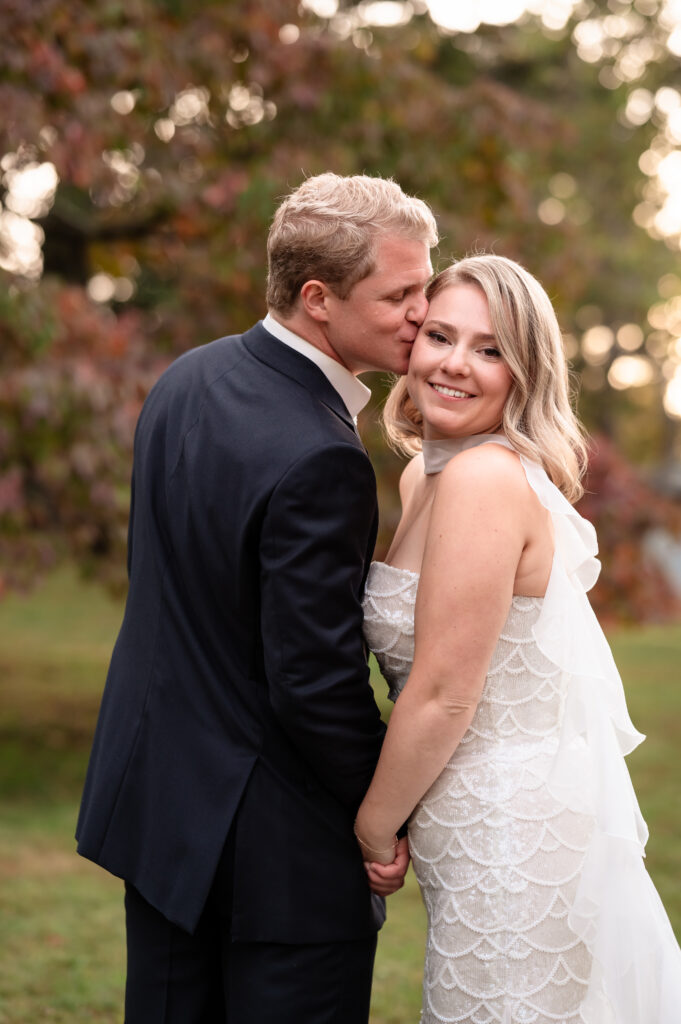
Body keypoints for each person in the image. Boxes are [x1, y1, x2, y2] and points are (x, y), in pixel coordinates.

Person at [75, 172, 438, 1023]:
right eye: (402, 293)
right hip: (278, 854)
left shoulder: (185, 379)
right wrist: (377, 812)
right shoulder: (322, 456)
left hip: (160, 812)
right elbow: (313, 679)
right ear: (318, 298)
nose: (424, 310)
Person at [357, 253, 681, 1023]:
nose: (455, 364)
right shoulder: (424, 475)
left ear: (524, 374)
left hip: (510, 836)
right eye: (440, 336)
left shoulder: (483, 480)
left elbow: (442, 693)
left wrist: (373, 827)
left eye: (490, 349)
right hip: (467, 828)